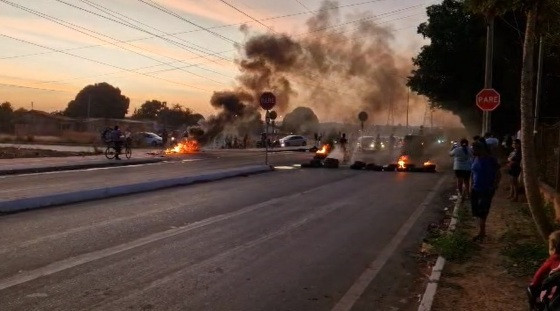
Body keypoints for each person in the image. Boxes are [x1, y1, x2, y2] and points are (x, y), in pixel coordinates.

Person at [470, 141, 501, 241]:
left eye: (474, 149)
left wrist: (495, 185)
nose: (473, 150)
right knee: (476, 211)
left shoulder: (490, 160)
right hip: (475, 188)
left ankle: (482, 232)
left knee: (483, 211)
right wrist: (471, 184)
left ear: (481, 149)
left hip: (486, 189)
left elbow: (498, 173)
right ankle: (481, 231)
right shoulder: (475, 158)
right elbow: (473, 172)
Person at [528, 231, 560, 310]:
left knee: (531, 290)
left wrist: (533, 284)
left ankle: (534, 307)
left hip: (555, 294)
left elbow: (539, 274)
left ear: (554, 249)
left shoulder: (553, 259)